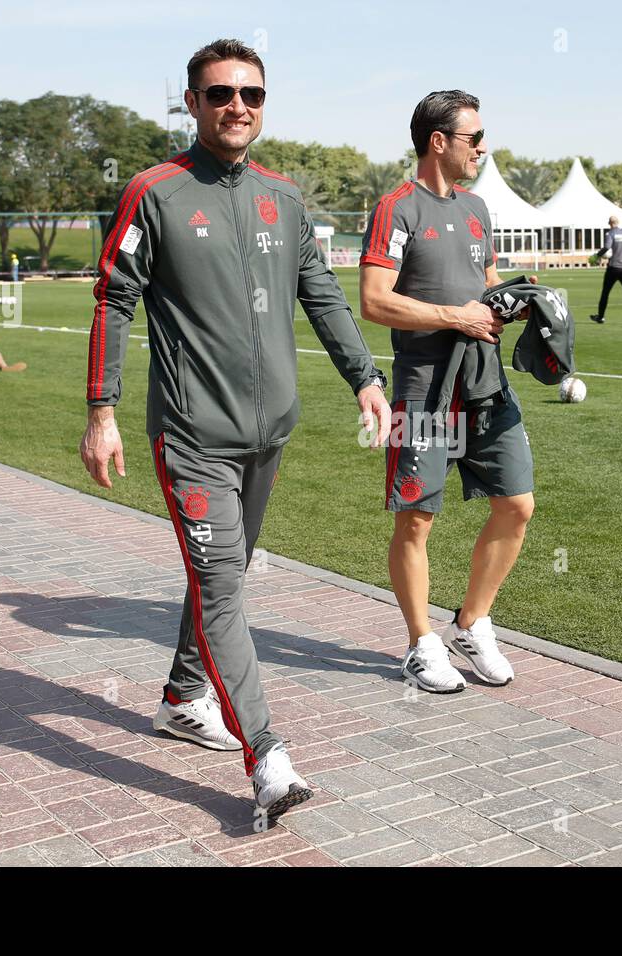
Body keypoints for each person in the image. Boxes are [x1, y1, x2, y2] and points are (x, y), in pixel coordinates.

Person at [80, 38, 390, 819]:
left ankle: (184, 697)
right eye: (220, 93)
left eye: (251, 93)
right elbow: (114, 300)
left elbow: (321, 295)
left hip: (270, 433)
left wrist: (366, 378)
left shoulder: (284, 199)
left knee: (226, 572)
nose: (237, 106)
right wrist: (102, 412)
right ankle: (269, 760)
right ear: (191, 102)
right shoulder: (155, 192)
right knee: (222, 589)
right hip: (191, 435)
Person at [359, 89, 534, 694]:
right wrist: (453, 317)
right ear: (439, 142)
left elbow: (485, 289)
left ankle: (472, 622)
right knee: (416, 519)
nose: (483, 148)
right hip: (421, 389)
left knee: (517, 504)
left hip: (485, 379)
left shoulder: (479, 208)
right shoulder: (397, 209)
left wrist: (514, 304)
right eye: (474, 138)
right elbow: (375, 302)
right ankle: (418, 642)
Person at [588, 215, 622, 324]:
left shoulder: (610, 234)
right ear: (618, 223)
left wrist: (597, 255)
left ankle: (601, 317)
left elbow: (607, 247)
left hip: (613, 268)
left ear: (609, 224)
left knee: (605, 293)